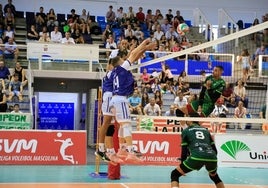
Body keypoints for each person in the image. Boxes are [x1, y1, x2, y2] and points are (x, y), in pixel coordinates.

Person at [109, 39, 156, 162]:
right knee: (127, 125)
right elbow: (133, 54)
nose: (124, 60)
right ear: (119, 62)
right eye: (122, 60)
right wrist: (145, 45)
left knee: (122, 125)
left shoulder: (113, 72)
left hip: (114, 100)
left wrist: (144, 47)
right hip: (120, 99)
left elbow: (133, 54)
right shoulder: (121, 68)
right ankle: (130, 152)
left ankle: (121, 149)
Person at [170, 112, 225, 188]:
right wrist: (208, 159)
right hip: (212, 157)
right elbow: (215, 150)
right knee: (214, 176)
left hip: (196, 156)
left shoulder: (186, 131)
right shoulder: (206, 131)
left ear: (190, 120)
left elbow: (184, 152)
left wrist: (182, 164)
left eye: (188, 118)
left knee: (175, 174)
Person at [95, 52, 123, 164]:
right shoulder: (111, 72)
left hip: (113, 98)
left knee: (111, 127)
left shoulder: (115, 72)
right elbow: (110, 64)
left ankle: (110, 152)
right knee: (106, 122)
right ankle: (100, 149)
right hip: (108, 96)